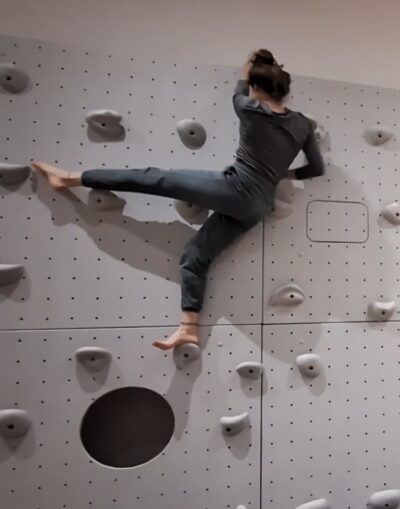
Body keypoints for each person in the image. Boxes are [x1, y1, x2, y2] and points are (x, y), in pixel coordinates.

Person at [33, 49, 324, 350]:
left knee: (153, 178)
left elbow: (239, 87)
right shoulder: (303, 124)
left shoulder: (249, 107)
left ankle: (69, 177)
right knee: (195, 256)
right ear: (285, 92)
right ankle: (189, 328)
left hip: (234, 188)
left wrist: (247, 69)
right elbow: (316, 169)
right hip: (259, 205)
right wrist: (282, 175)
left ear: (256, 88)